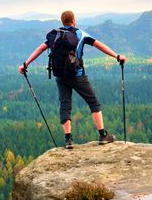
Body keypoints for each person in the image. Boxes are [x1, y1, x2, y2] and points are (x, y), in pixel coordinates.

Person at [18, 10, 126, 149]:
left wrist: (25, 64)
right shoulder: (81, 34)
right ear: (73, 20)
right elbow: (100, 45)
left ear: (62, 21)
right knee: (93, 102)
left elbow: (40, 49)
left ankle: (68, 140)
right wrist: (117, 56)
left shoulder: (54, 35)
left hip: (60, 76)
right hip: (78, 75)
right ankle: (102, 135)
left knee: (65, 104)